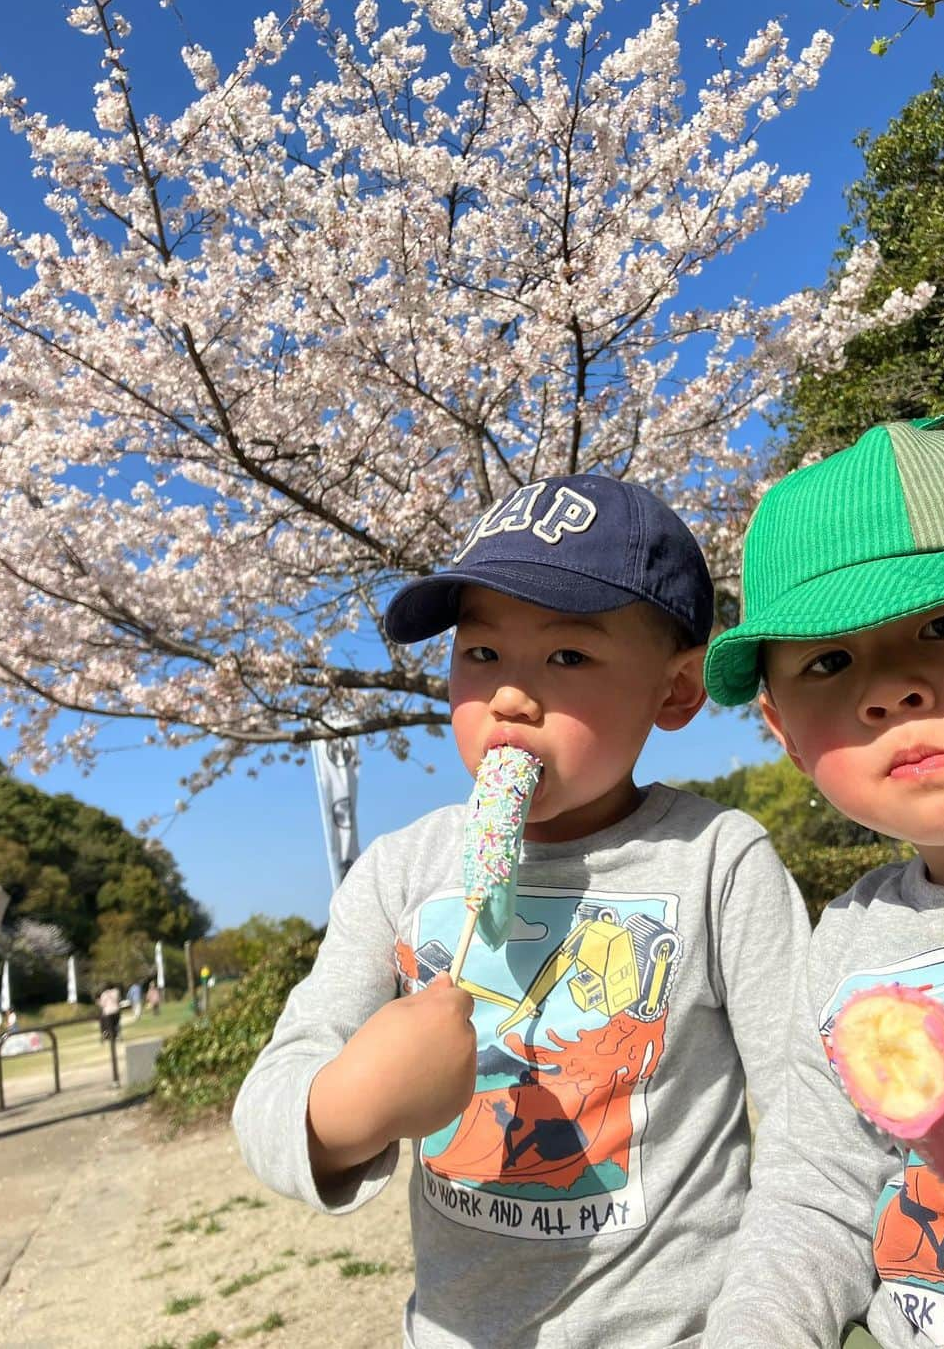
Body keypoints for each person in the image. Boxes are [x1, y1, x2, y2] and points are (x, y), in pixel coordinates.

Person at [234, 473, 811, 1347]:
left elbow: (812, 1122)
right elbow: (271, 1093)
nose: (510, 694)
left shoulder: (718, 864)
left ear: (677, 692)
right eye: (481, 655)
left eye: (568, 657)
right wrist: (343, 1110)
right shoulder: (401, 873)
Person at [700, 410, 944, 1349]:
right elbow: (816, 1196)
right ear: (781, 731)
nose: (888, 689)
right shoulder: (848, 941)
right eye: (829, 660)